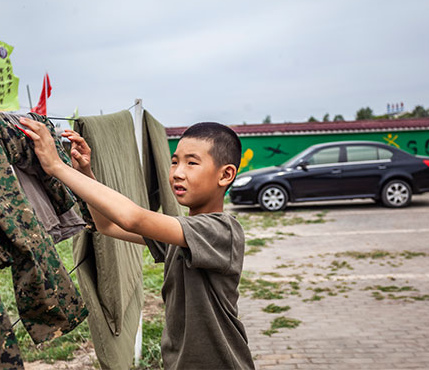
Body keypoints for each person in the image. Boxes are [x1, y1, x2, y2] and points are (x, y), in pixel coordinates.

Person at [19, 117, 255, 370]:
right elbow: (108, 225)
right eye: (174, 161)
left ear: (226, 175)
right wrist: (85, 173)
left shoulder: (221, 231)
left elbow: (132, 218)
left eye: (192, 163)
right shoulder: (180, 234)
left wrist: (56, 166)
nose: (177, 172)